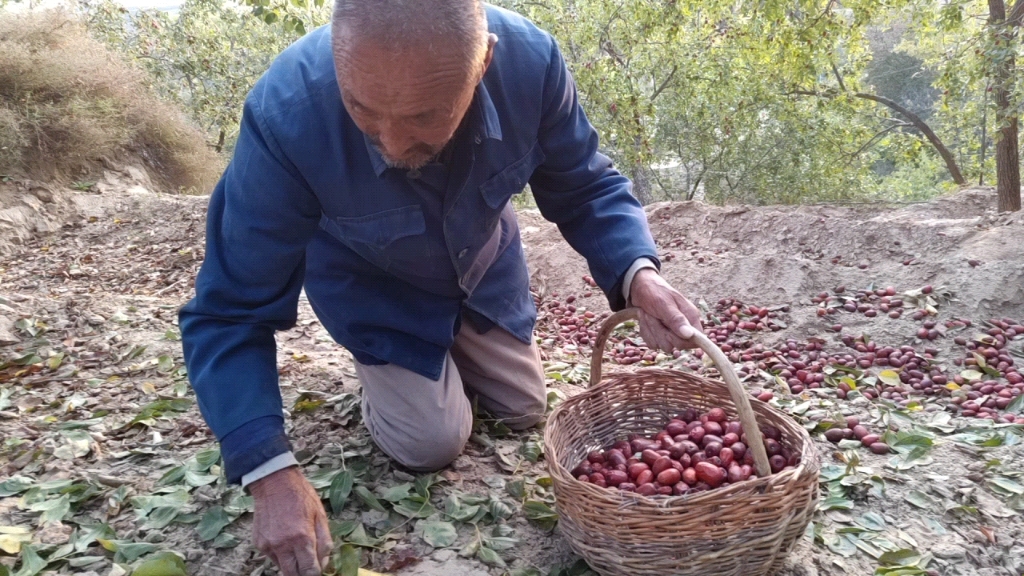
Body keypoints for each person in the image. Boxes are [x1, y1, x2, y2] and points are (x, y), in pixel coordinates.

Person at [178, 1, 703, 574]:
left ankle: (450, 356)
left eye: (425, 117)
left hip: (480, 270)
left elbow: (585, 188)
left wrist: (638, 273)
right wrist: (267, 471)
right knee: (431, 444)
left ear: (483, 64)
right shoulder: (286, 116)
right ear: (337, 56)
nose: (393, 143)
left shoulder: (532, 65)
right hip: (373, 288)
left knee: (526, 409)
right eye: (362, 108)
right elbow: (229, 311)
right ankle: (395, 371)